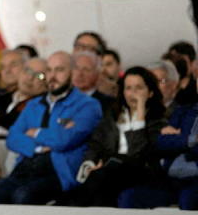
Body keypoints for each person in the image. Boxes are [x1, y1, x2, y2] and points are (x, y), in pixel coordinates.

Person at [0, 51, 102, 205]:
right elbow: (13, 139)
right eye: (49, 70)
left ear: (72, 72)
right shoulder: (34, 104)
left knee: (23, 196)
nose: (53, 76)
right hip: (25, 167)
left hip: (59, 172)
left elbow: (65, 139)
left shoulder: (87, 105)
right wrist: (39, 148)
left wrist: (35, 132)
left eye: (60, 70)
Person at [65, 67, 167, 206]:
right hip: (109, 172)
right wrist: (91, 164)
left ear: (150, 93)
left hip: (141, 173)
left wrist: (140, 116)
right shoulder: (112, 116)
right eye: (128, 88)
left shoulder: (158, 122)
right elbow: (95, 144)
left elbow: (138, 154)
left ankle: (72, 208)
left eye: (139, 88)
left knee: (102, 176)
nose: (133, 93)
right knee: (99, 183)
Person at [0, 57, 48, 133]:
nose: (30, 78)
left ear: (47, 82)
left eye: (39, 75)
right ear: (20, 72)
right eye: (28, 71)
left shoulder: (44, 106)